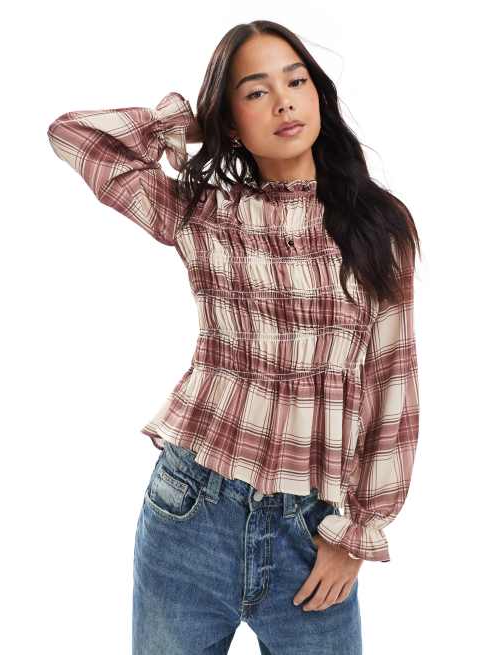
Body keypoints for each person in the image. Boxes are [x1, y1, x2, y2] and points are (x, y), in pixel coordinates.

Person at [47, 19, 420, 655]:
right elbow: (74, 137)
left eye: (296, 82)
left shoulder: (378, 226)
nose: (284, 103)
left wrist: (357, 534)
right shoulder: (204, 211)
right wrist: (186, 125)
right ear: (231, 120)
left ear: (319, 95)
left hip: (313, 532)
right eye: (255, 92)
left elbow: (393, 384)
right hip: (189, 512)